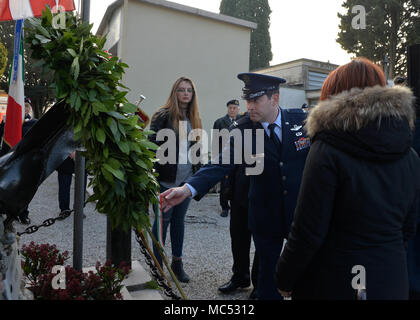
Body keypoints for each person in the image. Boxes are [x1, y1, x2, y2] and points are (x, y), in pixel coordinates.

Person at [275, 58, 420, 300]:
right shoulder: (410, 154)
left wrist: (284, 277)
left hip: (334, 280)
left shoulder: (327, 150)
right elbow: (409, 226)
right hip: (390, 278)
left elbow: (308, 231)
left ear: (335, 97)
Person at [161, 73, 310, 299]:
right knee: (268, 281)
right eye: (247, 100)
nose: (249, 106)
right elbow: (220, 163)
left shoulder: (301, 121)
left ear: (275, 99)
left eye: (255, 100)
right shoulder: (244, 130)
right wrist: (187, 189)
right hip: (265, 217)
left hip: (298, 216)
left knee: (304, 276)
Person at [149, 76, 202, 283]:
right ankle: (157, 266)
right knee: (162, 222)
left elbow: (195, 150)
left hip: (186, 181)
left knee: (179, 221)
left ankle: (177, 263)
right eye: (181, 89)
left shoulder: (194, 117)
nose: (186, 93)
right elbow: (150, 146)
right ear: (175, 92)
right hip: (165, 180)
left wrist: (197, 178)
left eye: (189, 90)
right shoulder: (162, 116)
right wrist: (152, 178)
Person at [218, 160, 259, 299]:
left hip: (261, 192)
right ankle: (240, 276)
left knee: (262, 242)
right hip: (238, 191)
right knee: (238, 237)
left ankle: (260, 284)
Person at [212, 99, 241, 217]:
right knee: (225, 183)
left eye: (235, 108)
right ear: (227, 108)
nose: (232, 110)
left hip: (239, 157)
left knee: (238, 182)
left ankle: (236, 205)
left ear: (238, 109)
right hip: (224, 156)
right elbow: (215, 142)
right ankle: (224, 207)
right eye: (230, 108)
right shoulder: (219, 122)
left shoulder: (243, 121)